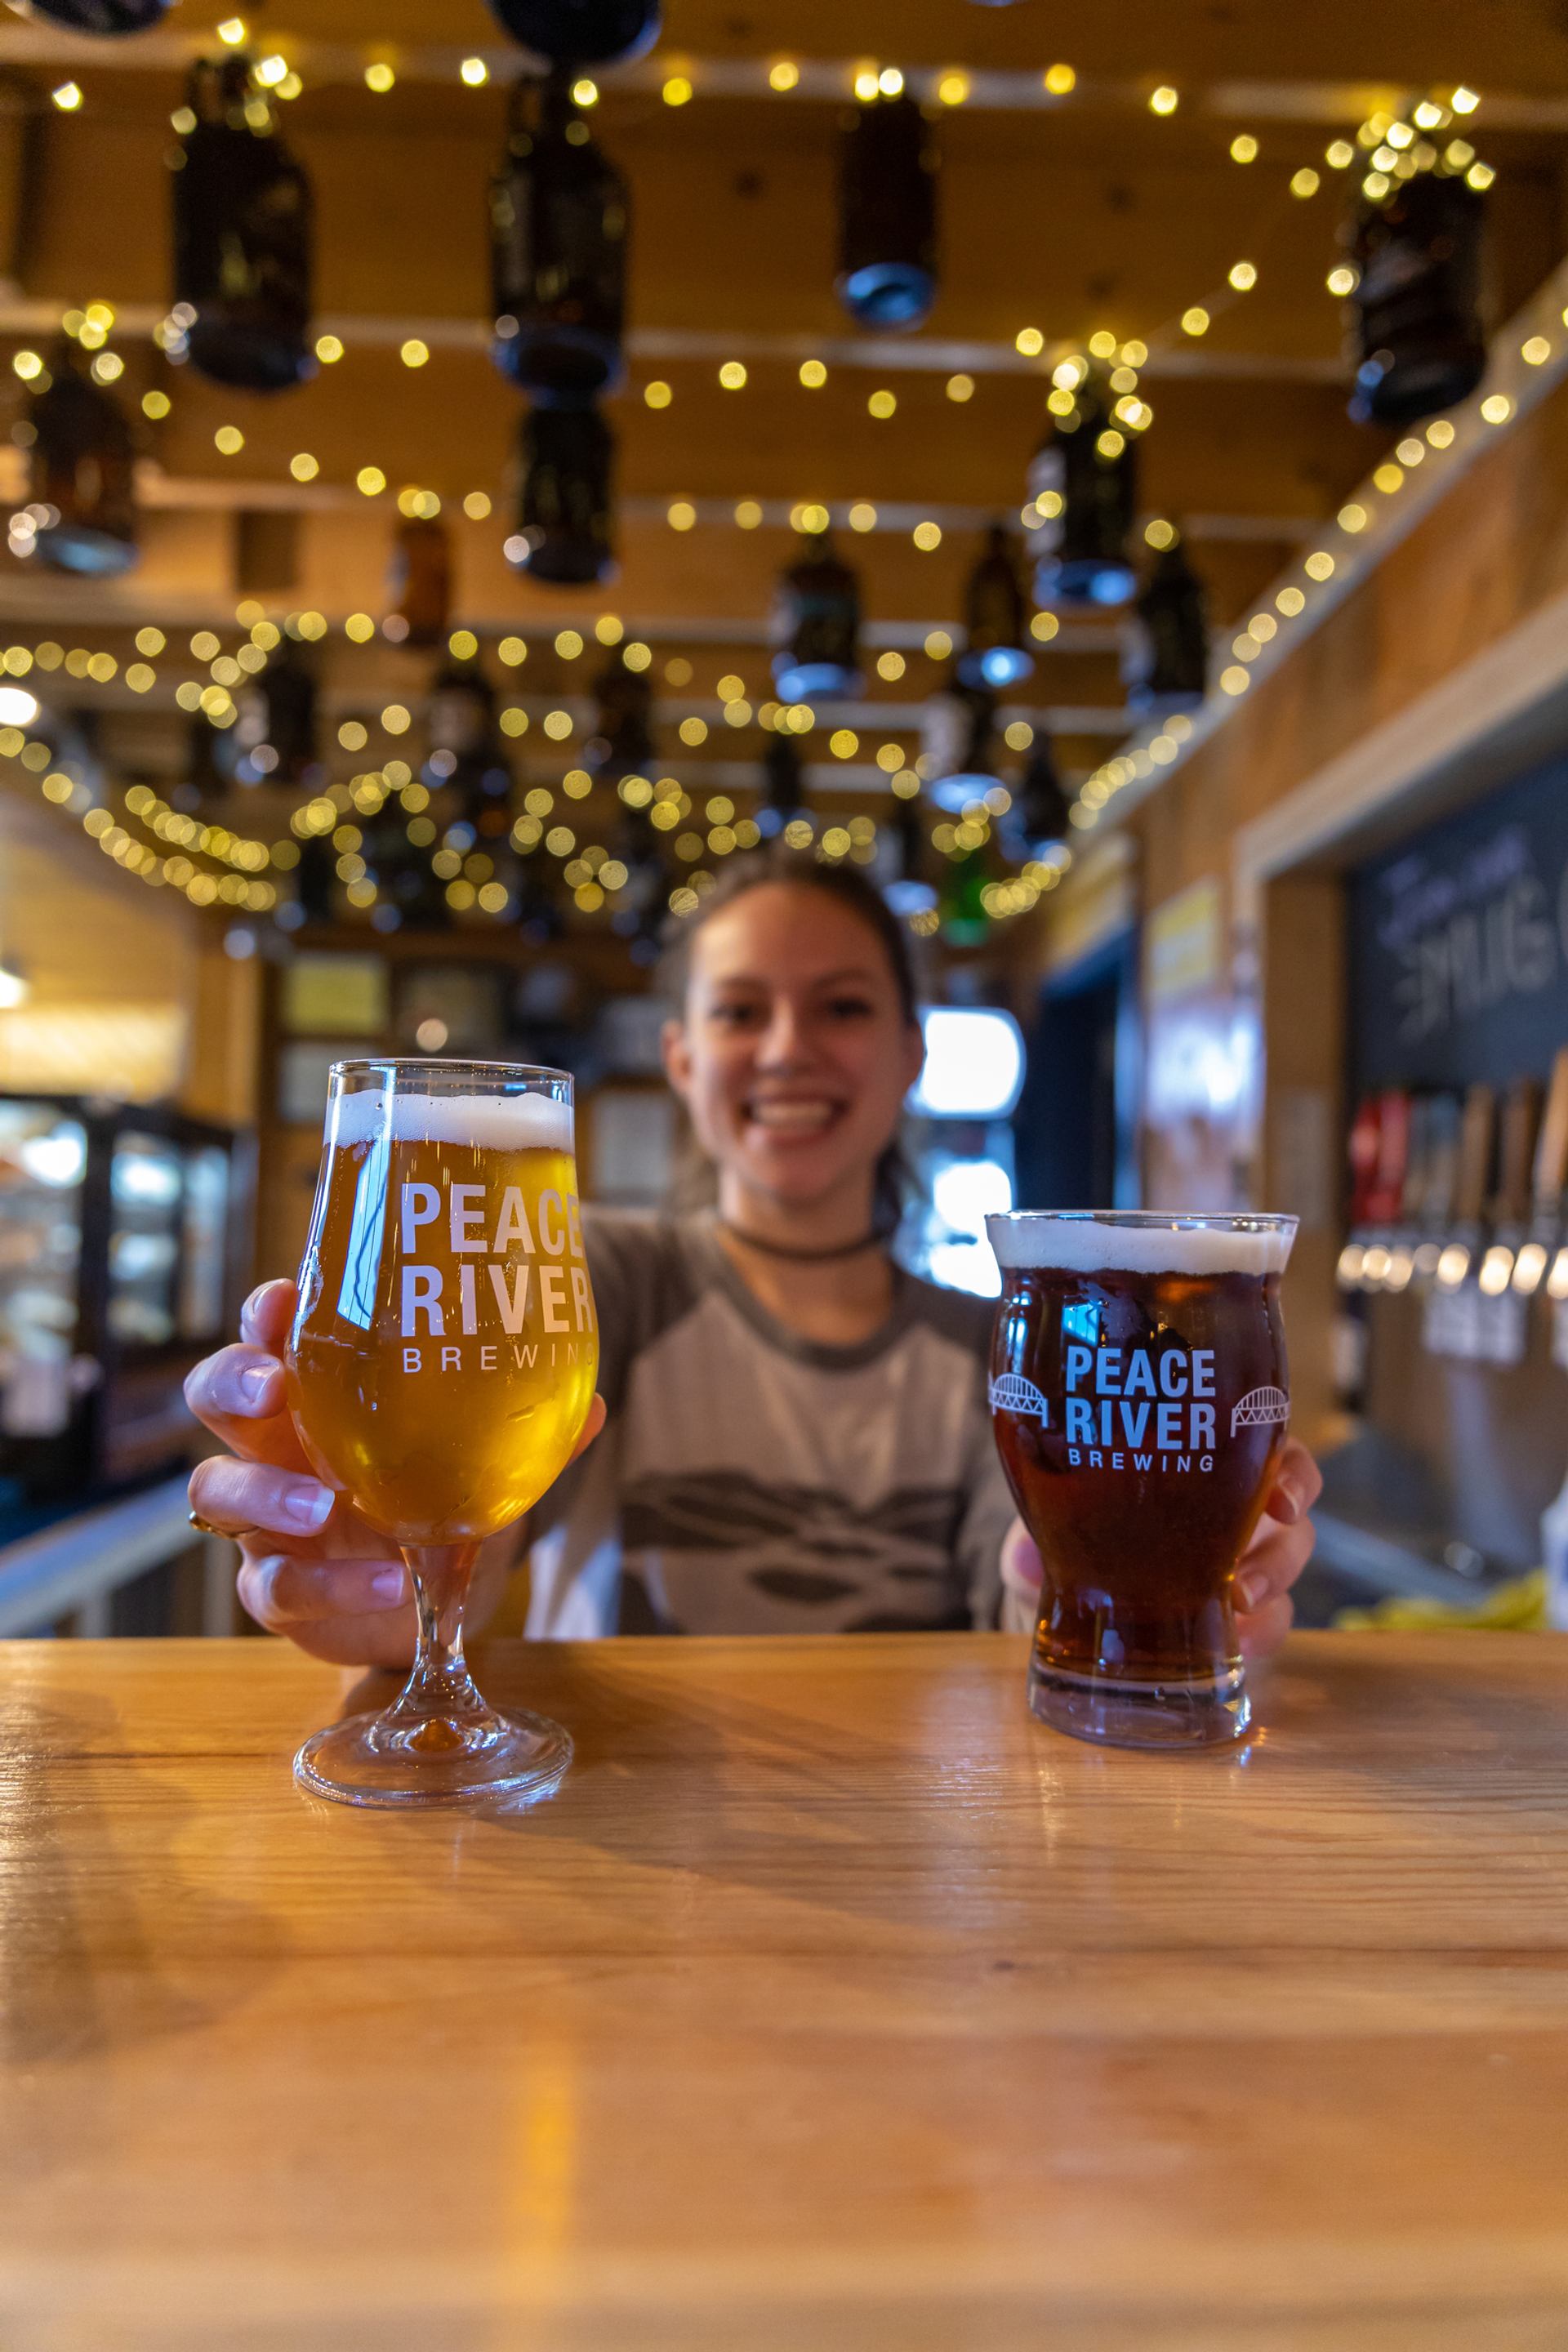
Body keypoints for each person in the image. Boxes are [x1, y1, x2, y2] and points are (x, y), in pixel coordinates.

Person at [184, 849, 1321, 1666]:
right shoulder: (597, 1283)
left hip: (902, 1854)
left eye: (840, 1007)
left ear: (912, 1054)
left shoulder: (1001, 1340)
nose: (788, 1051)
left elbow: (1017, 1601)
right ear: (679, 1058)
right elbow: (465, 1537)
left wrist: (1164, 1578)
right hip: (624, 1842)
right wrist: (372, 1573)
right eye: (739, 1013)